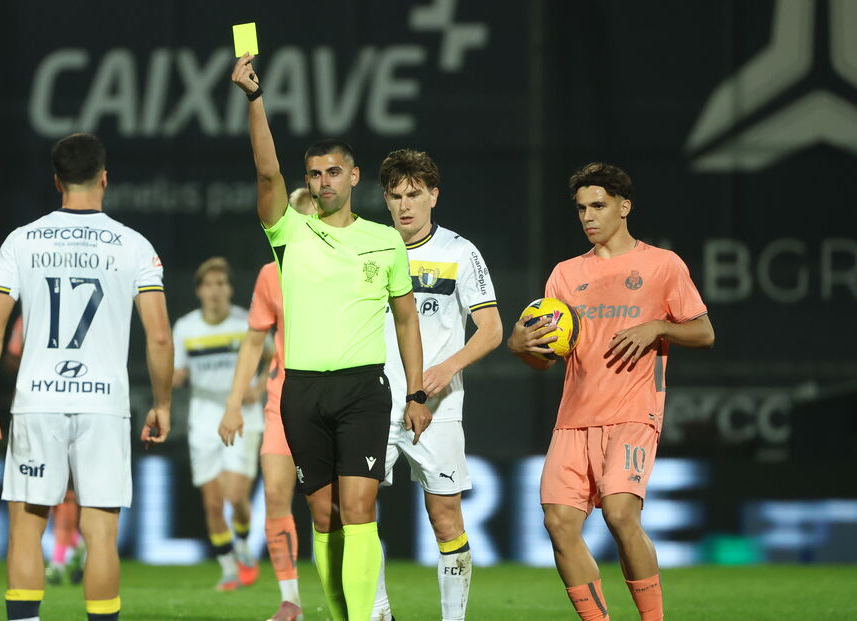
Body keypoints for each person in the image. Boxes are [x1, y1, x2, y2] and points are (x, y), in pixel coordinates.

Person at [230, 54, 431, 621]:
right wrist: (254, 99)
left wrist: (417, 392)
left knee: (359, 507)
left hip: (364, 390)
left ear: (354, 176)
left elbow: (407, 319)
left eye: (333, 172)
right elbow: (267, 173)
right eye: (314, 174)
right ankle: (343, 616)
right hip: (302, 392)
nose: (323, 182)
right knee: (323, 516)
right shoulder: (289, 232)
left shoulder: (385, 241)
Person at [0, 132, 173, 621]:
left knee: (26, 528)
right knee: (100, 534)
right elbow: (160, 337)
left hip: (37, 399)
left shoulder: (22, 240)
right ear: (105, 178)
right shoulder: (133, 245)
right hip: (103, 404)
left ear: (56, 180)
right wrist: (163, 404)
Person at [507, 162, 714, 621]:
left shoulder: (662, 265)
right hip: (574, 417)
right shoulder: (564, 275)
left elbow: (703, 332)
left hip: (633, 412)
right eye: (581, 208)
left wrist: (658, 326)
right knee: (559, 524)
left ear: (625, 206)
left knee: (621, 514)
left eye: (598, 205)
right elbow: (543, 358)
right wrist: (519, 346)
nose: (588, 217)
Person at [371, 150, 502, 621]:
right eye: (395, 196)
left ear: (433, 196)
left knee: (445, 518)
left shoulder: (460, 252)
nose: (405, 206)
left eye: (414, 195)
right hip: (373, 403)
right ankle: (379, 612)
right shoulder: (371, 248)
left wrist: (445, 371)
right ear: (385, 200)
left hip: (438, 407)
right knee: (358, 513)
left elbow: (491, 329)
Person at [219, 188, 315, 621]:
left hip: (336, 400)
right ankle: (290, 599)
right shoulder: (270, 275)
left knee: (334, 508)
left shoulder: (348, 266)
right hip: (282, 399)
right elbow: (254, 341)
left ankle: (354, 595)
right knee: (276, 494)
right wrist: (234, 404)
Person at [172, 257, 266, 591]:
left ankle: (242, 540)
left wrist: (258, 387)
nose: (216, 290)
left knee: (235, 494)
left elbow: (272, 357)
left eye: (222, 283)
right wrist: (170, 377)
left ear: (230, 289)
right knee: (212, 503)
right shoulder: (185, 327)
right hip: (203, 418)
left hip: (242, 415)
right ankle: (229, 568)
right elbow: (177, 372)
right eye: (209, 284)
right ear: (199, 290)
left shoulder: (245, 323)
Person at [6, 315, 86, 588]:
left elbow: (11, 357)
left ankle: (63, 557)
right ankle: (70, 552)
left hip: (45, 408)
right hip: (83, 406)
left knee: (61, 494)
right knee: (62, 495)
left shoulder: (30, 313)